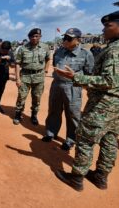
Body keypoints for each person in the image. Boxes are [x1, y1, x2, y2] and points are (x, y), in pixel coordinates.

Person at [54, 11, 119, 191]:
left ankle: (76, 177)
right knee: (109, 141)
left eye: (108, 25)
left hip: (103, 104)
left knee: (84, 140)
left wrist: (77, 77)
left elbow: (108, 81)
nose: (104, 29)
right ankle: (100, 176)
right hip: (115, 106)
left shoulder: (114, 50)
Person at [42, 28, 94, 151]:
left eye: (68, 38)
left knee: (72, 114)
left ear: (78, 40)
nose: (65, 40)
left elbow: (89, 74)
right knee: (53, 110)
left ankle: (71, 139)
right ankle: (51, 133)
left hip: (73, 87)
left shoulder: (86, 54)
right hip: (57, 85)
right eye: (64, 38)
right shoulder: (59, 51)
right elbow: (55, 64)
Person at [13, 28, 51, 126]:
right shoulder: (23, 48)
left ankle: (34, 115)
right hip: (25, 76)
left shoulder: (45, 47)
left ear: (40, 37)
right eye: (32, 36)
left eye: (36, 36)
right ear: (29, 37)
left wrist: (46, 70)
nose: (34, 38)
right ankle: (18, 114)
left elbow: (48, 59)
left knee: (37, 98)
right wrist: (17, 78)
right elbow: (17, 64)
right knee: (21, 97)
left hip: (39, 77)